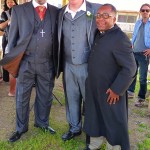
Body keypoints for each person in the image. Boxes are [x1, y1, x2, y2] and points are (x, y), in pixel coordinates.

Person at [0, 0, 58, 142]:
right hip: (26, 62)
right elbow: (12, 38)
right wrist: (13, 61)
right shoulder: (19, 10)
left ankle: (42, 123)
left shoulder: (56, 11)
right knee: (22, 96)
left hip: (47, 63)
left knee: (45, 96)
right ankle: (20, 128)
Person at [83, 4, 137, 150]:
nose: (100, 19)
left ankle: (114, 146)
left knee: (112, 120)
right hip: (95, 87)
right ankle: (95, 143)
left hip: (110, 91)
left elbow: (130, 68)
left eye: (105, 16)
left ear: (114, 18)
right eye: (98, 15)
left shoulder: (120, 38)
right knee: (94, 116)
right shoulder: (98, 33)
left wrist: (116, 89)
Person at [56, 0, 100, 141]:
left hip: (89, 65)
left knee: (91, 101)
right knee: (71, 98)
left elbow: (110, 30)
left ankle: (91, 132)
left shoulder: (97, 9)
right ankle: (74, 128)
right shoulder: (61, 12)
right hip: (68, 64)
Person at [128, 3, 150, 107]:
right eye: (143, 10)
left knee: (142, 77)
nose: (145, 12)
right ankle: (130, 92)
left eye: (147, 10)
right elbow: (134, 35)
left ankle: (141, 98)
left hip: (144, 54)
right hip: (134, 52)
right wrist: (131, 45)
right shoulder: (138, 22)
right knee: (132, 73)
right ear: (140, 12)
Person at [0, 0, 18, 96]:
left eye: (12, 1)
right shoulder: (4, 13)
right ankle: (11, 89)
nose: (10, 4)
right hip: (8, 40)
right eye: (8, 2)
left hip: (20, 41)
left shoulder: (21, 11)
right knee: (10, 62)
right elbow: (1, 27)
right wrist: (9, 21)